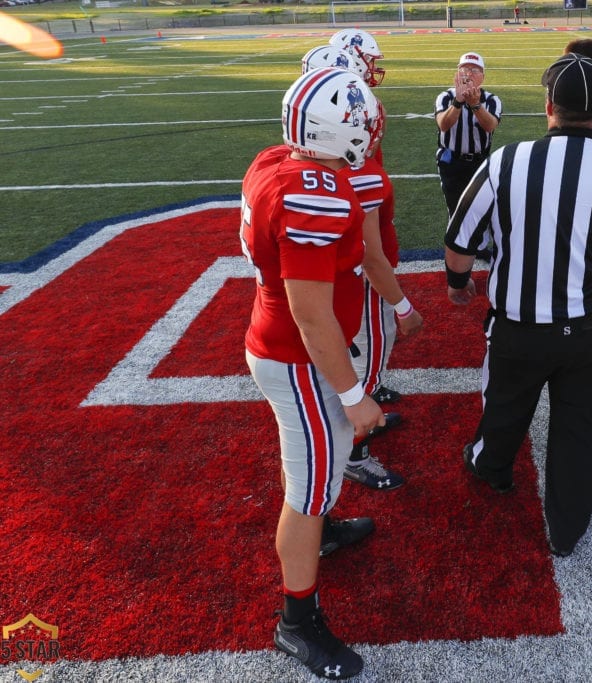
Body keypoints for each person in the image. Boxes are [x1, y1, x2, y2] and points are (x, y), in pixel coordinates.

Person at [444, 54, 592, 558]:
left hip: (520, 326)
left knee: (505, 404)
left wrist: (458, 284)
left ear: (549, 107)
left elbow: (459, 239)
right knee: (581, 429)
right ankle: (566, 529)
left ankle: (492, 469)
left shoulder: (506, 161)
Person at [240, 67, 385, 679]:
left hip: (286, 347)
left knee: (308, 466)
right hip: (298, 359)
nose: (370, 125)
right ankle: (296, 622)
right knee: (310, 485)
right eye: (361, 117)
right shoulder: (314, 192)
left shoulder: (278, 159)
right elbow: (310, 313)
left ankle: (320, 531)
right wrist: (354, 395)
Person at [301, 39, 419, 492]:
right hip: (355, 276)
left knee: (356, 350)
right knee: (367, 351)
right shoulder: (356, 171)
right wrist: (403, 304)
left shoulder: (298, 160)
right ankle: (355, 452)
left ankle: (359, 402)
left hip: (338, 274)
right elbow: (368, 251)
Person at [434, 52, 502, 226]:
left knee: (481, 209)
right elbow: (443, 124)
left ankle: (479, 249)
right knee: (455, 209)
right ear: (457, 74)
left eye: (474, 70)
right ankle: (455, 251)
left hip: (479, 162)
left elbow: (490, 126)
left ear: (482, 77)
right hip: (452, 162)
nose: (469, 74)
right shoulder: (446, 97)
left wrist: (475, 105)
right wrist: (458, 101)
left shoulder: (492, 100)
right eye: (465, 69)